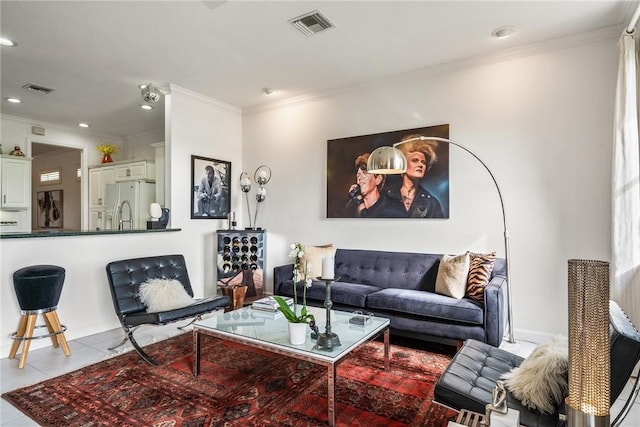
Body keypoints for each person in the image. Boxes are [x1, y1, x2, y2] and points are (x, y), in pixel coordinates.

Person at [384, 135, 445, 218]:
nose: (420, 165)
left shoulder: (432, 203)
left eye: (423, 162)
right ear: (403, 164)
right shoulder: (385, 194)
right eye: (415, 160)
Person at [345, 153, 406, 218]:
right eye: (358, 175)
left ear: (378, 179)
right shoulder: (351, 208)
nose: (360, 178)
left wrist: (360, 203)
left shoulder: (393, 209)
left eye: (365, 173)